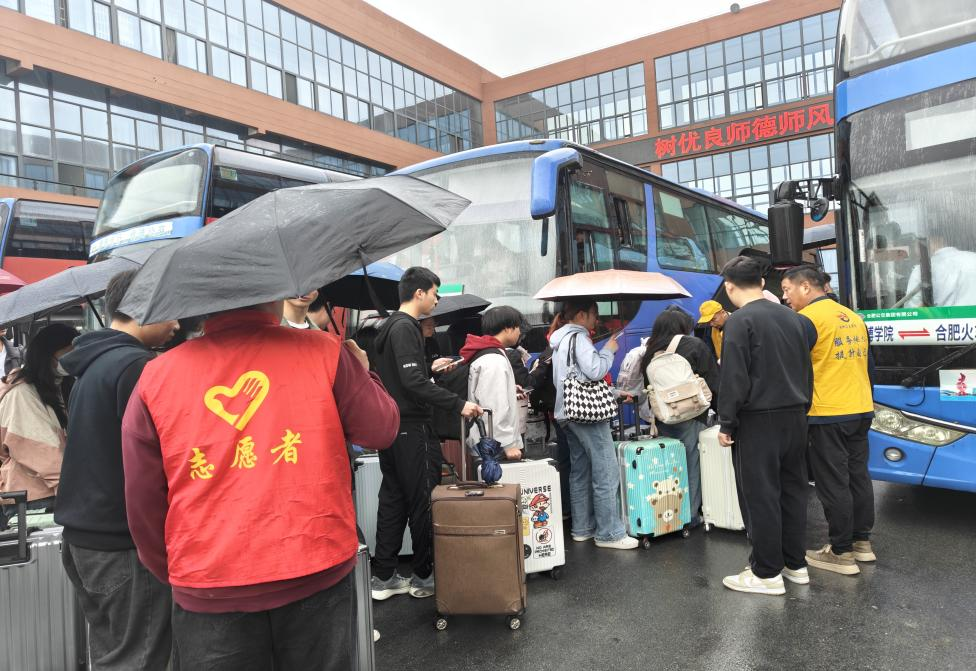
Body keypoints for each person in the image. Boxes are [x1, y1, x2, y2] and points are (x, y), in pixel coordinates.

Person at [121, 299, 398, 671]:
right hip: (316, 565)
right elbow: (381, 429)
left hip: (209, 580)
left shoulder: (156, 376)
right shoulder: (326, 352)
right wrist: (364, 370)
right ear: (275, 291)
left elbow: (142, 501)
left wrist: (179, 570)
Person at [54, 270, 180, 669]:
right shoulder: (136, 367)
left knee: (113, 654)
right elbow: (157, 458)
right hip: (123, 544)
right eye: (170, 310)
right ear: (142, 305)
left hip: (84, 540)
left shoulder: (92, 365)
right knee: (141, 659)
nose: (177, 324)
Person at [370, 267, 482, 600]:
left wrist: (427, 368)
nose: (436, 299)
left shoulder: (387, 326)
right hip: (413, 428)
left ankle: (383, 576)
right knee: (423, 501)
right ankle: (423, 576)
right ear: (419, 293)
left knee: (393, 500)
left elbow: (401, 377)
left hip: (391, 427)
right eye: (434, 293)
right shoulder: (406, 327)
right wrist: (458, 403)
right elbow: (412, 382)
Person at [716, 256, 814, 596]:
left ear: (729, 287)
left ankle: (766, 571)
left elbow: (734, 377)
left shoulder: (739, 322)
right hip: (796, 415)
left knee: (760, 495)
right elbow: (806, 370)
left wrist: (726, 423)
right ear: (761, 282)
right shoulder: (794, 318)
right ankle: (795, 564)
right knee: (792, 492)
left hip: (758, 419)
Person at [782, 265, 876, 575]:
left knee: (833, 482)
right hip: (861, 407)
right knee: (858, 477)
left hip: (826, 413)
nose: (785, 297)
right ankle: (862, 543)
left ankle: (841, 551)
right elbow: (869, 367)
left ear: (805, 287)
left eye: (787, 290)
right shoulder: (852, 317)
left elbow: (793, 370)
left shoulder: (806, 320)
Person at [551, 300, 637, 550]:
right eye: (594, 314)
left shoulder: (560, 340)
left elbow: (574, 380)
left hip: (567, 412)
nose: (596, 320)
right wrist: (608, 350)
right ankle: (609, 533)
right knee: (606, 469)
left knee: (580, 470)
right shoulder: (579, 338)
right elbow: (596, 371)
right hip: (587, 416)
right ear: (581, 315)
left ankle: (582, 528)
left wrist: (614, 393)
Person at [640, 306, 719, 530]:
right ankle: (691, 515)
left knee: (670, 467)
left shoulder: (649, 352)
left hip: (664, 417)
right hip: (692, 415)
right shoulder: (695, 345)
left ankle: (670, 514)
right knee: (692, 464)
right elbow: (713, 382)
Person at [0, 324, 76, 527]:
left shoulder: (56, 386)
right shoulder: (22, 393)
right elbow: (40, 451)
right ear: (47, 354)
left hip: (45, 492)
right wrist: (73, 490)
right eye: (68, 353)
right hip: (36, 497)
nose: (72, 359)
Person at [460, 306, 526, 461]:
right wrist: (507, 444)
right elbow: (493, 407)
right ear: (508, 328)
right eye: (518, 327)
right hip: (494, 447)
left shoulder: (488, 353)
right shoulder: (494, 361)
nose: (520, 332)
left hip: (489, 442)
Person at [905, 224, 976, 308]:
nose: (916, 251)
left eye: (917, 245)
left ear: (932, 240)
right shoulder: (973, 258)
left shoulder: (920, 271)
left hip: (940, 317)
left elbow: (913, 311)